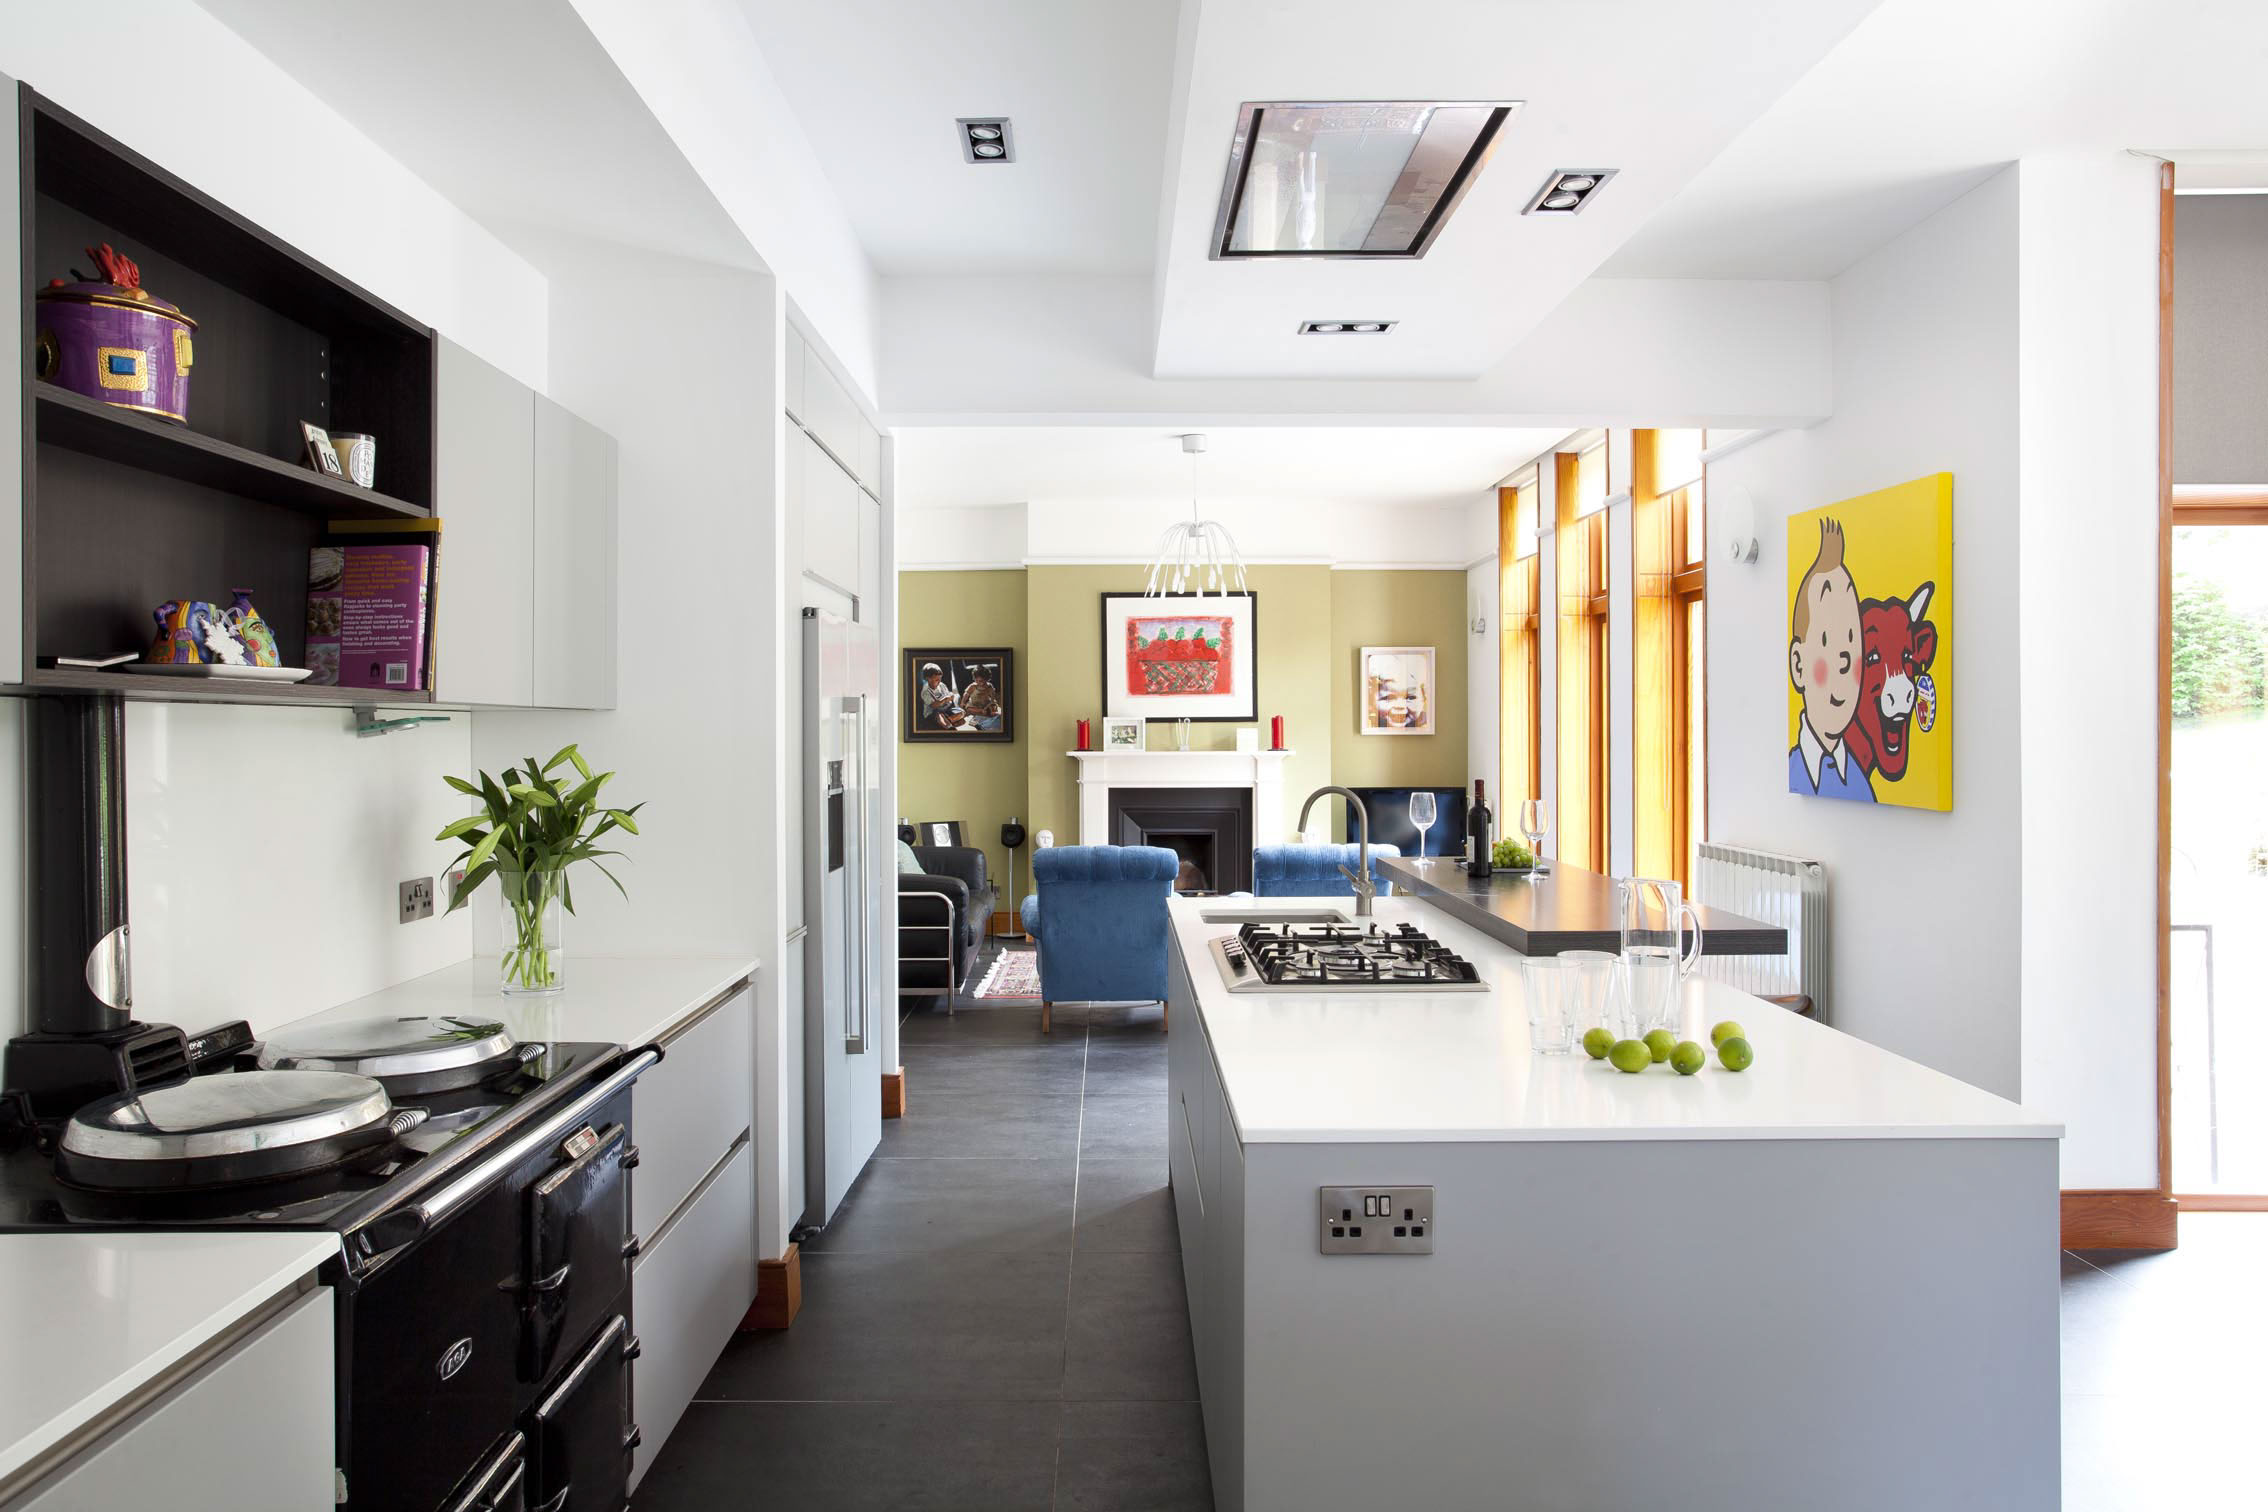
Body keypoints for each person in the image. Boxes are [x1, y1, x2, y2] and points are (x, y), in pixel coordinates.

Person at [1787, 518, 1875, 801]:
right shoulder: (1795, 769)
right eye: (1827, 642)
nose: (1844, 662)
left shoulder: (1861, 785)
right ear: (1798, 664)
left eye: (1851, 643)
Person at [916, 662, 965, 731]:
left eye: (940, 679)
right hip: (933, 712)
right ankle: (946, 723)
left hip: (945, 710)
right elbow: (934, 705)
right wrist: (944, 700)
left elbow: (948, 695)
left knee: (962, 712)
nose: (939, 681)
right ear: (928, 679)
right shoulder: (925, 691)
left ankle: (948, 720)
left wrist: (951, 696)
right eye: (936, 679)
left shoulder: (942, 685)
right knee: (939, 716)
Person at [959, 666, 1003, 731]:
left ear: (987, 679)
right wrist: (963, 702)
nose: (980, 683)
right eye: (977, 681)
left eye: (982, 681)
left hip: (985, 703)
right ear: (974, 678)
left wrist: (991, 703)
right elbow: (966, 694)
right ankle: (981, 711)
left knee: (994, 710)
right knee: (969, 709)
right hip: (974, 704)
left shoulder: (989, 686)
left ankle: (987, 716)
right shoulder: (973, 686)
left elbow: (993, 697)